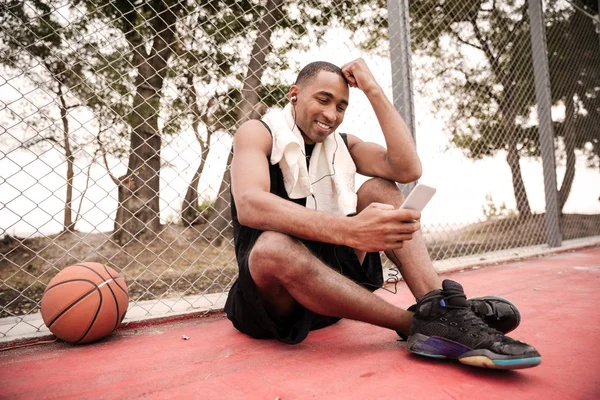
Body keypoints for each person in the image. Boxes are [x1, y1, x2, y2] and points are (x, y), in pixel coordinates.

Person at [224, 58, 541, 370]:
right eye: (323, 99)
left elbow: (407, 168)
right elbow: (250, 205)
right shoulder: (258, 132)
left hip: (336, 290)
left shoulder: (342, 146)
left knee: (382, 189)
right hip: (274, 306)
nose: (331, 114)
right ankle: (420, 323)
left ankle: (436, 305)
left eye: (341, 106)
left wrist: (373, 89)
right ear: (295, 93)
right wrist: (350, 231)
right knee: (272, 248)